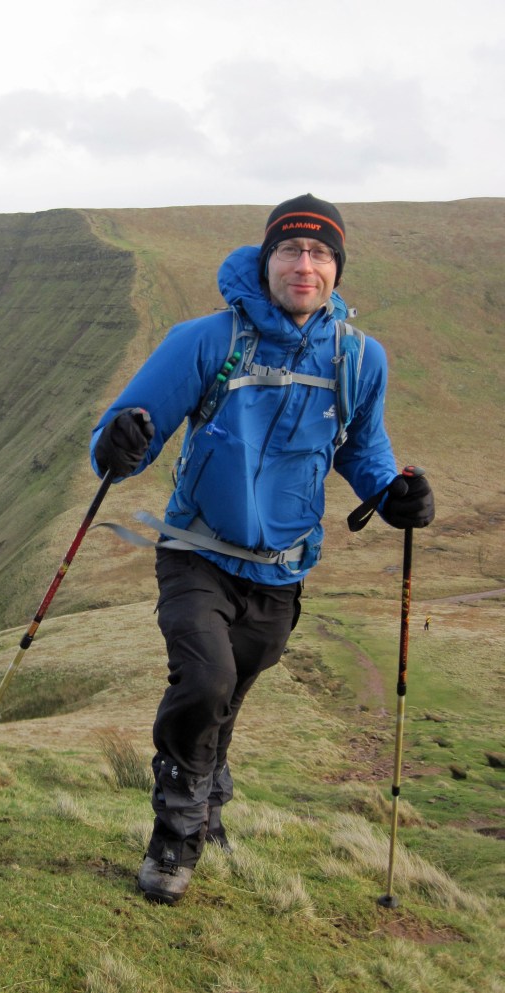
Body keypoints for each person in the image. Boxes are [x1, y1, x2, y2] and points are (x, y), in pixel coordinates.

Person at [90, 193, 435, 905]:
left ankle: (208, 805)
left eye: (319, 253)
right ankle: (175, 836)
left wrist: (393, 491)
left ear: (336, 269)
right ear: (265, 259)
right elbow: (129, 431)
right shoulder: (206, 340)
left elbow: (363, 449)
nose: (303, 264)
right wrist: (118, 439)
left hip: (282, 572)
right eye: (290, 250)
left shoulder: (359, 359)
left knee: (228, 697)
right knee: (206, 681)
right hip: (195, 553)